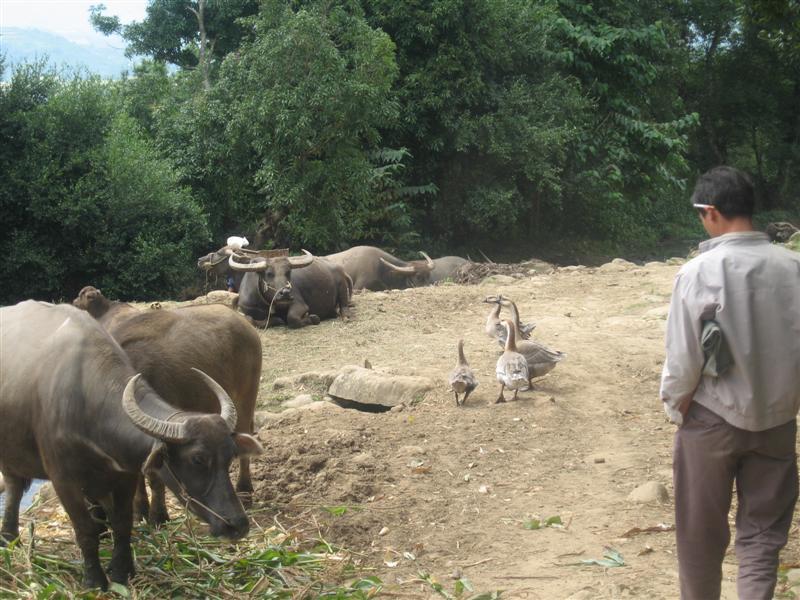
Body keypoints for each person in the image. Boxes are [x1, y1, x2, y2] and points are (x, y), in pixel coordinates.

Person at [660, 166, 800, 600]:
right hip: (777, 422)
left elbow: (683, 359)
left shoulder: (698, 272)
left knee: (700, 539)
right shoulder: (793, 267)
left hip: (711, 421)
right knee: (762, 537)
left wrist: (675, 406)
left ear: (712, 212)